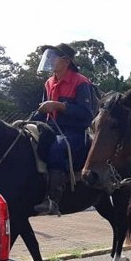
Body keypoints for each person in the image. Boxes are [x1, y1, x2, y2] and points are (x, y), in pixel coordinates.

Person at [32, 43, 96, 216]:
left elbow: (86, 114)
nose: (50, 59)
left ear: (66, 61)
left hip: (74, 133)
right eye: (49, 56)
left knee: (57, 147)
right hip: (52, 129)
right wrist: (26, 122)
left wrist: (59, 106)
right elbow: (43, 110)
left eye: (53, 56)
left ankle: (53, 200)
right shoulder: (49, 82)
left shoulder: (81, 82)